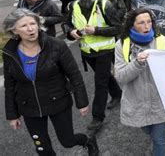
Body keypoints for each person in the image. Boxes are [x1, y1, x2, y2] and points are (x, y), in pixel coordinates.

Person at [3, 9, 99, 155]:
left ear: (38, 25)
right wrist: (12, 114)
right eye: (23, 26)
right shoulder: (9, 52)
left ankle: (88, 141)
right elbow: (10, 85)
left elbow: (74, 75)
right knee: (43, 149)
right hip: (29, 107)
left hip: (58, 101)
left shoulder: (56, 45)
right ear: (14, 30)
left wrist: (82, 102)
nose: (30, 29)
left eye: (32, 24)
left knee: (67, 141)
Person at [63, 0, 123, 131]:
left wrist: (96, 30)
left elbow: (117, 28)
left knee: (100, 83)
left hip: (105, 51)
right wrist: (71, 32)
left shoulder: (105, 5)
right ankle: (117, 93)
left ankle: (98, 117)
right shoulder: (73, 5)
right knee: (104, 77)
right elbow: (66, 24)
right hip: (87, 52)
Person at [114, 8, 165, 156]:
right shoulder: (122, 45)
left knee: (159, 139)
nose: (146, 26)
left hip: (159, 101)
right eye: (141, 23)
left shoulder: (162, 41)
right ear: (132, 25)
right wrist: (137, 63)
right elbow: (121, 76)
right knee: (147, 129)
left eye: (149, 22)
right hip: (136, 101)